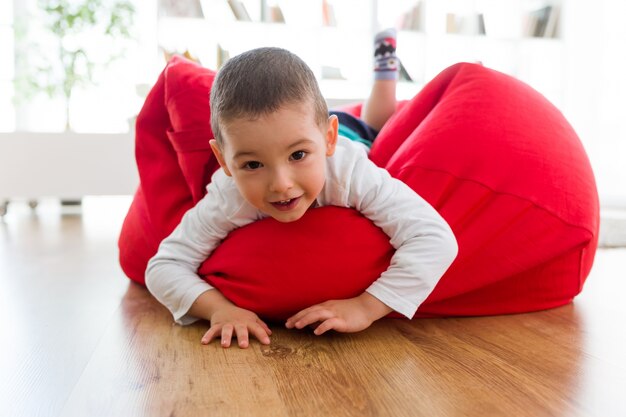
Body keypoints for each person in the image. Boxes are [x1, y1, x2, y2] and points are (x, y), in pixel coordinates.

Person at [145, 30, 458, 349]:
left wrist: (367, 306)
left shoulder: (350, 171)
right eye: (252, 165)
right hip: (313, 125)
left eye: (298, 156)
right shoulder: (228, 196)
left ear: (328, 140)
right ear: (223, 160)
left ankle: (385, 71)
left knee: (378, 124)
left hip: (354, 133)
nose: (281, 184)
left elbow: (434, 238)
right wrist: (218, 310)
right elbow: (164, 266)